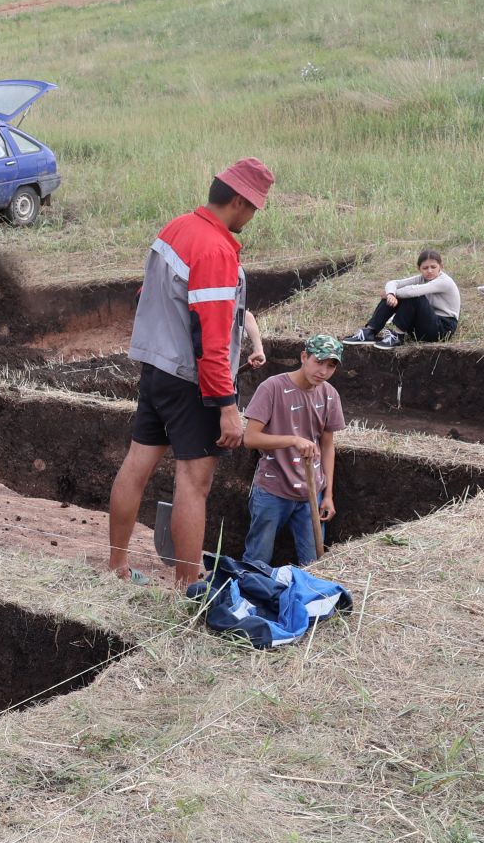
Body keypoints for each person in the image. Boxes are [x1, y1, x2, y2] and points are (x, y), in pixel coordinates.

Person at [107, 158, 273, 588]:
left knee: (136, 464)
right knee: (193, 482)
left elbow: (146, 294)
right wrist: (226, 406)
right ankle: (188, 586)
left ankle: (117, 566)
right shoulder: (215, 249)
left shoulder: (176, 228)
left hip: (156, 368)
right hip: (191, 379)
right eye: (254, 208)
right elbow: (212, 339)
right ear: (238, 201)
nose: (252, 217)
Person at [242, 335, 346, 566]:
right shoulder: (272, 388)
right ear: (303, 357)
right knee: (257, 560)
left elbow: (328, 446)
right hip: (272, 489)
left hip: (312, 491)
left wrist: (327, 496)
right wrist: (292, 440)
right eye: (318, 362)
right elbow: (250, 438)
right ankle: (249, 599)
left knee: (313, 564)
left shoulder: (329, 395)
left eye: (330, 366)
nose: (323, 371)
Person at [346, 249, 460, 347]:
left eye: (433, 267)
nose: (429, 271)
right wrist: (390, 294)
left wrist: (391, 294)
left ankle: (398, 336)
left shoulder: (444, 281)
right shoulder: (421, 278)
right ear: (419, 268)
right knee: (396, 295)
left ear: (441, 266)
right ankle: (370, 331)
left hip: (442, 328)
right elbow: (393, 283)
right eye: (425, 268)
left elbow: (413, 292)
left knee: (413, 296)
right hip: (425, 325)